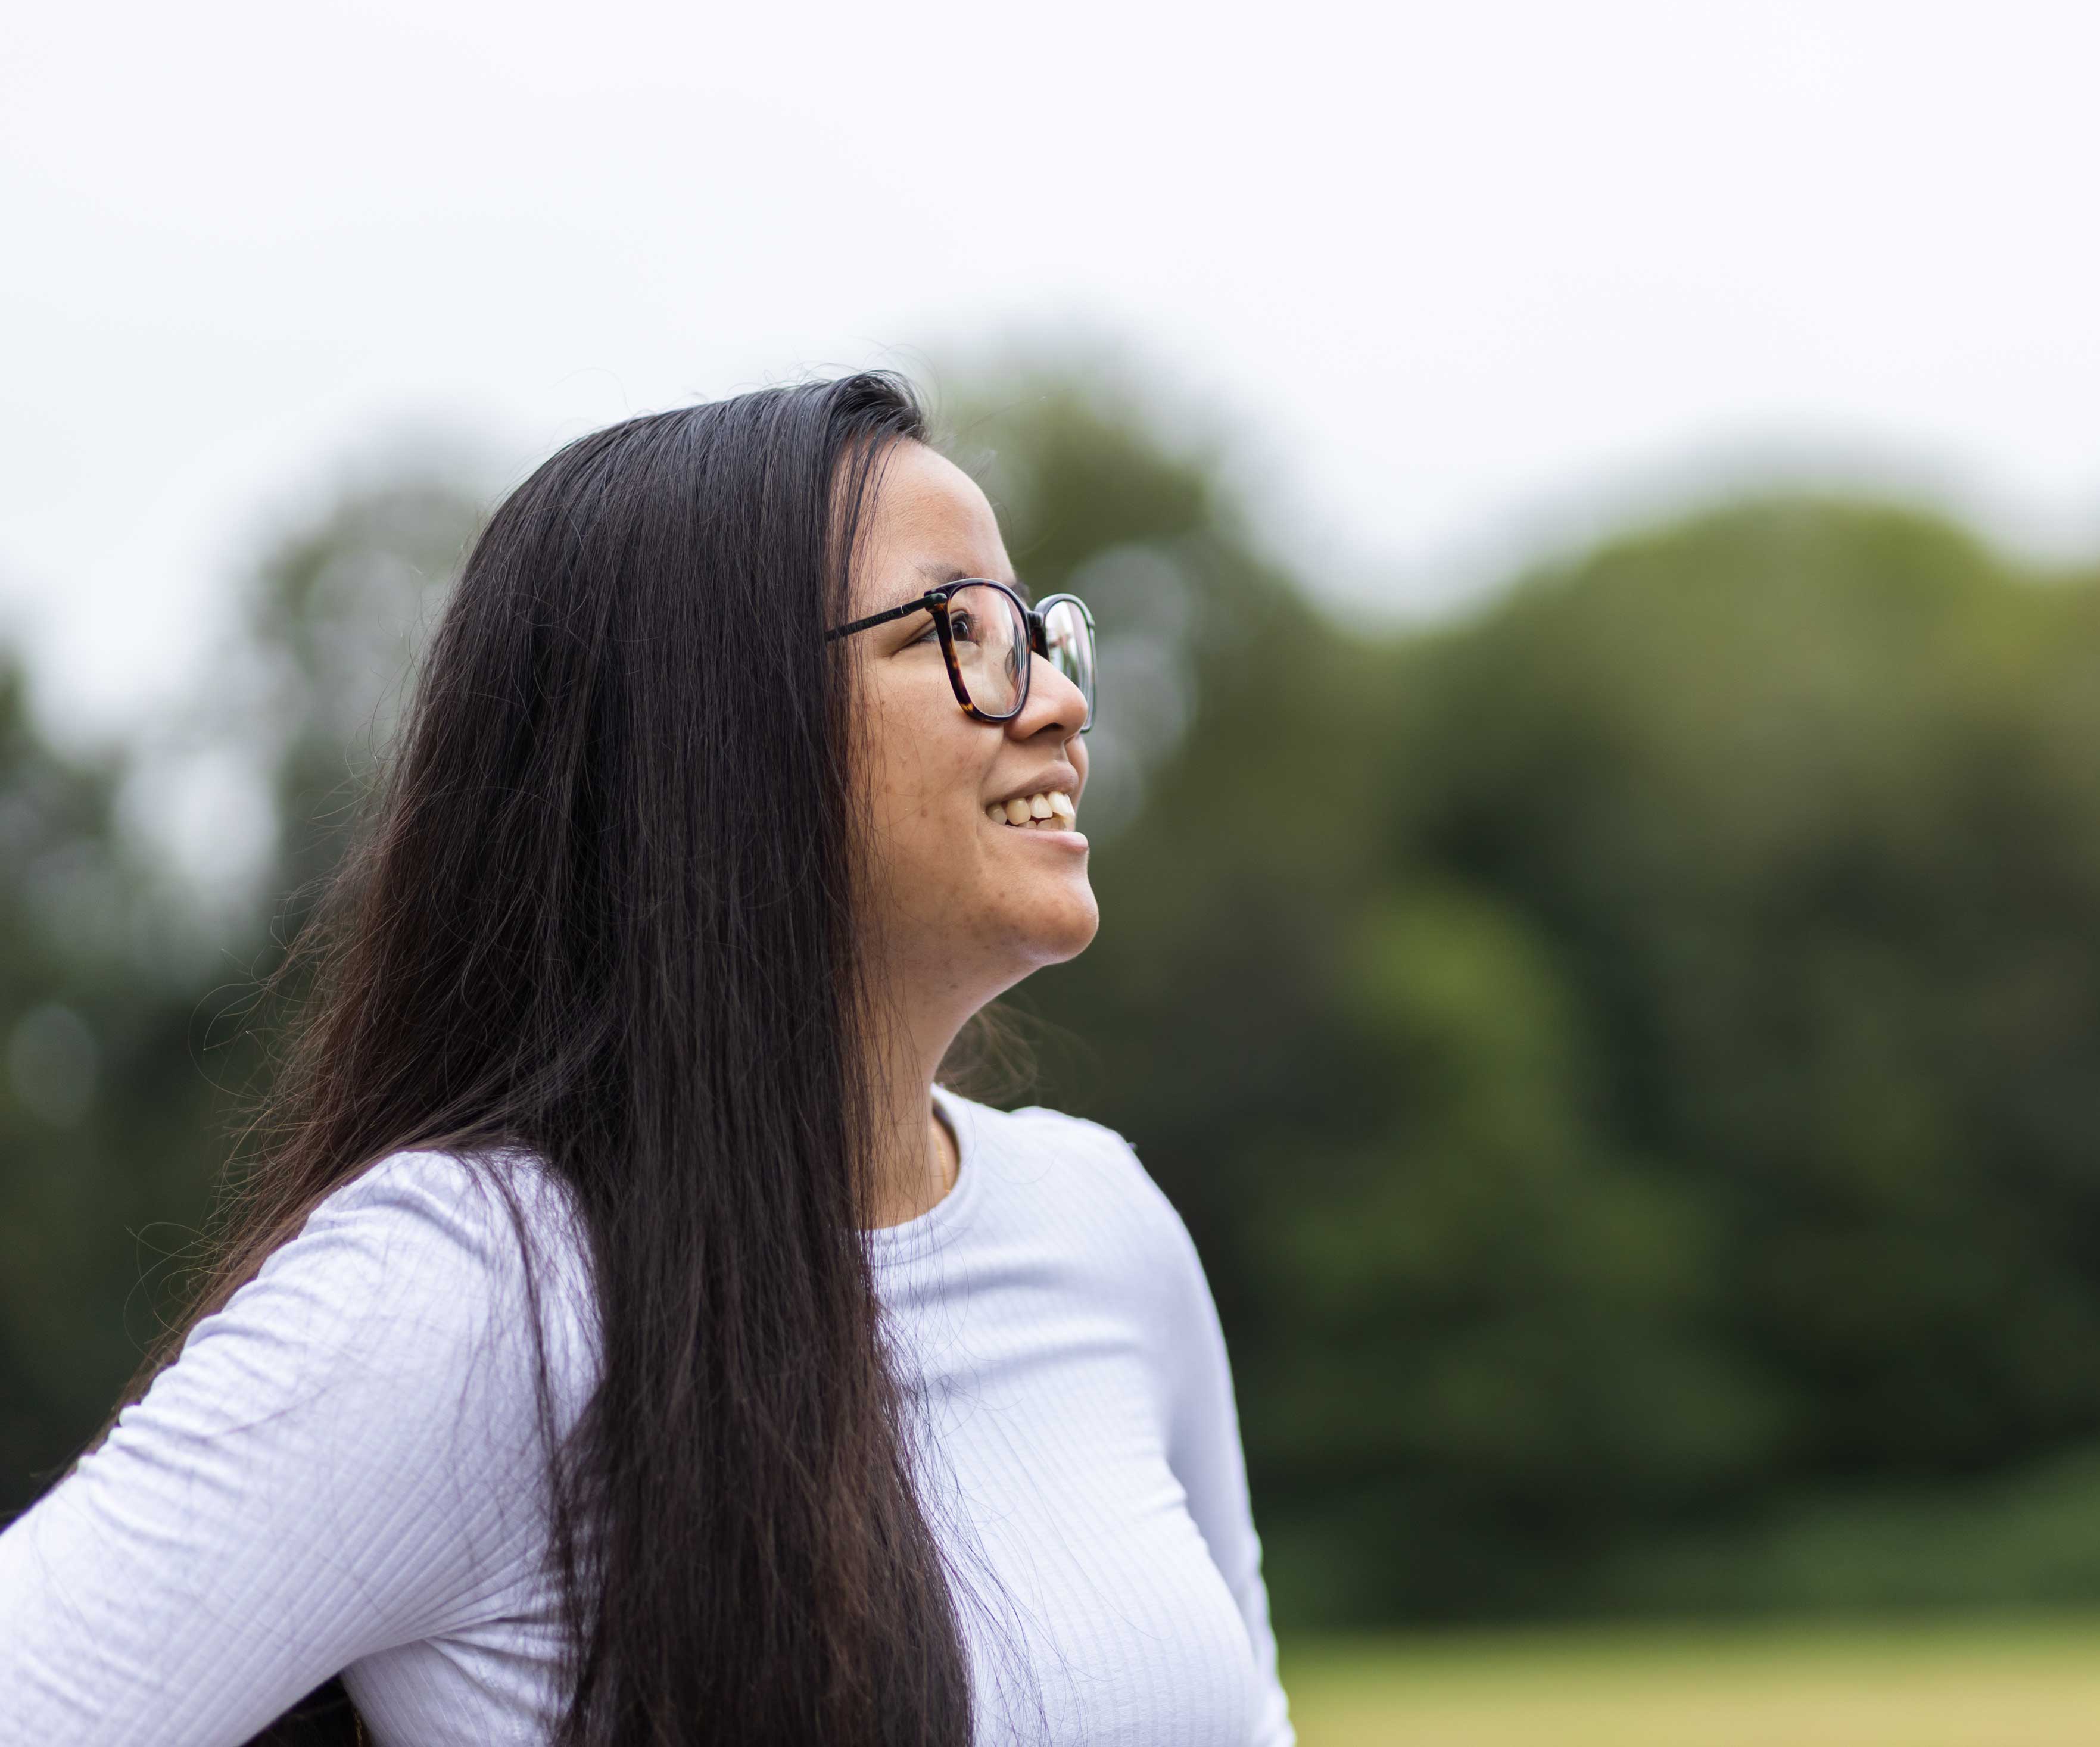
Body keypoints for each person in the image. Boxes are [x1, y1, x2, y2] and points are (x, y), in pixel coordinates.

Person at [0, 375, 1293, 1747]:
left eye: (1038, 630)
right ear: (707, 734)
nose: (1056, 705)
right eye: (955, 630)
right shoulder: (471, 1291)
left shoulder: (1105, 1227)